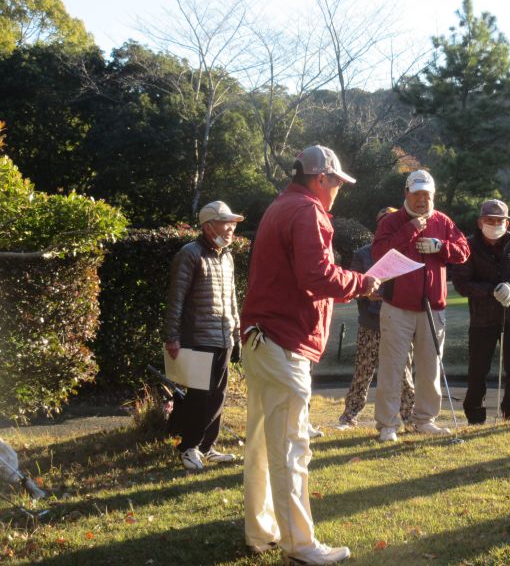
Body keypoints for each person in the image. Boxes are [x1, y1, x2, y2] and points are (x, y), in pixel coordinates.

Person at [240, 145, 379, 565]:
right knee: (291, 446)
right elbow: (316, 275)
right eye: (336, 182)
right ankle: (300, 546)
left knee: (263, 441)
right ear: (321, 178)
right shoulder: (307, 211)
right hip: (283, 339)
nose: (338, 190)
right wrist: (362, 283)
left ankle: (262, 530)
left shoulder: (280, 206)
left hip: (262, 337)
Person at [372, 169, 470, 442]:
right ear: (406, 193)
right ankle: (388, 424)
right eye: (416, 194)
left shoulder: (443, 221)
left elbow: (463, 252)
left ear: (433, 195)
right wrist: (411, 230)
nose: (421, 200)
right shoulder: (392, 221)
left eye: (426, 194)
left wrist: (441, 246)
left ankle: (425, 420)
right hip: (397, 306)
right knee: (392, 367)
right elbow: (379, 252)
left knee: (430, 367)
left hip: (433, 307)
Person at [162, 200, 243, 471]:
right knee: (199, 396)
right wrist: (172, 336)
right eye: (226, 223)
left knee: (218, 395)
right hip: (198, 337)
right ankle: (189, 448)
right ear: (209, 226)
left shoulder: (227, 256)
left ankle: (207, 447)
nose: (231, 228)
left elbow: (232, 299)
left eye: (232, 224)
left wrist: (236, 333)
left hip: (223, 337)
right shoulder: (190, 254)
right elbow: (176, 298)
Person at [451, 199, 510, 424]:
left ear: (506, 224)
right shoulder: (468, 245)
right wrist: (491, 291)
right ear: (481, 222)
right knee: (478, 368)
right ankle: (475, 415)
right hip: (482, 317)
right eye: (490, 220)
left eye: (499, 221)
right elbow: (461, 283)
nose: (495, 224)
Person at [336, 207, 415, 431]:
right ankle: (349, 417)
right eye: (382, 222)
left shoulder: (406, 253)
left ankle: (409, 417)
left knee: (404, 373)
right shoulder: (363, 253)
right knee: (363, 372)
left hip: (399, 323)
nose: (386, 226)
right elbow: (354, 285)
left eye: (391, 222)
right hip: (371, 322)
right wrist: (366, 292)